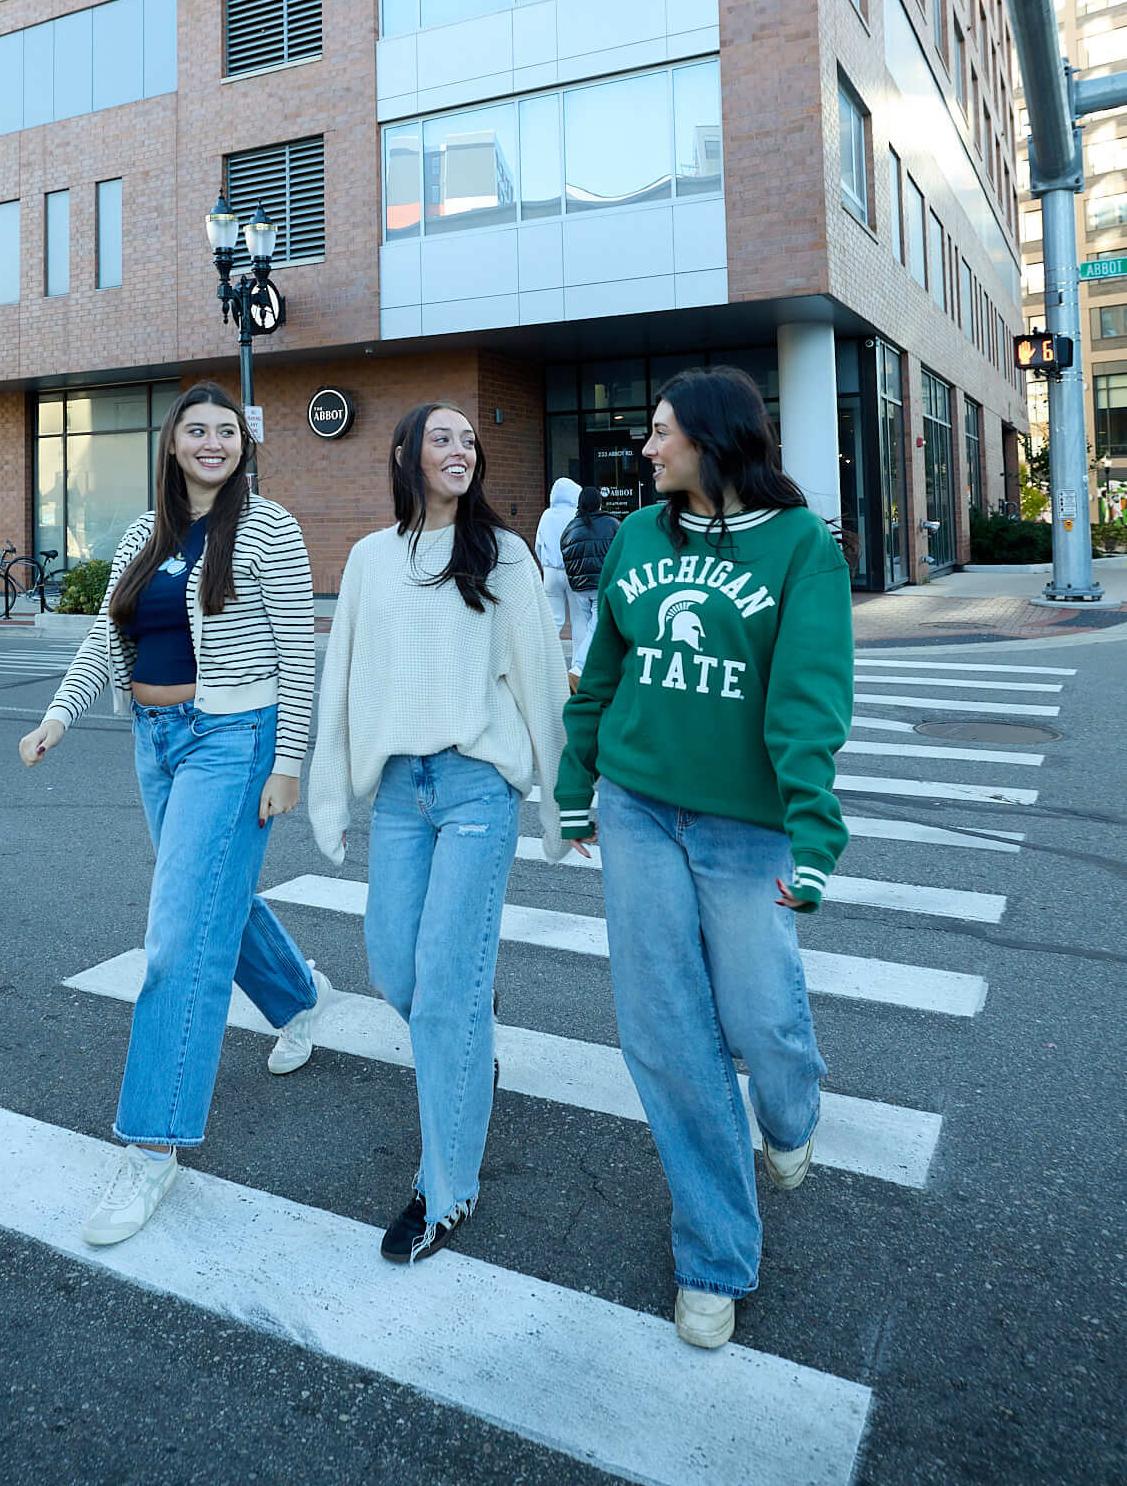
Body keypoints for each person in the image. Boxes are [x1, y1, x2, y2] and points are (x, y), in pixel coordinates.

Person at [555, 366, 853, 1351]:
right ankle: (715, 1254)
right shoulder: (640, 536)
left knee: (762, 1016)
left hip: (745, 824)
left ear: (714, 439)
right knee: (666, 1033)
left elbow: (809, 692)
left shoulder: (800, 546)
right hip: (637, 805)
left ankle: (790, 1108)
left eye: (661, 431)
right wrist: (574, 778)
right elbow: (604, 670)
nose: (646, 447)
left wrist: (813, 829)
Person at [18, 381, 335, 1249]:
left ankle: (152, 1145)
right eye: (196, 430)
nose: (212, 442)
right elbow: (106, 637)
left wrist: (289, 763)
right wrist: (58, 716)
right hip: (155, 740)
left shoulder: (267, 527)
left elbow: (296, 650)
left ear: (243, 445)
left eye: (226, 431)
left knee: (179, 934)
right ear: (172, 443)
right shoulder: (143, 533)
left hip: (233, 738)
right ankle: (301, 996)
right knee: (208, 895)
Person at [307, 402, 570, 1264]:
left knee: (446, 990)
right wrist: (329, 798)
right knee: (396, 971)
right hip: (398, 793)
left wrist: (564, 801)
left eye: (468, 439)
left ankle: (445, 1189)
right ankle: (468, 1034)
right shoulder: (370, 559)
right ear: (404, 456)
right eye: (441, 438)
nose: (460, 449)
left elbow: (539, 679)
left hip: (474, 790)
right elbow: (343, 681)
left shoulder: (503, 554)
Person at [559, 484, 620, 682]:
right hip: (601, 584)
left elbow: (565, 554)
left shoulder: (570, 527)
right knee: (596, 627)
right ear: (599, 503)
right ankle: (578, 667)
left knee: (591, 627)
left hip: (579, 587)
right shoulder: (612, 523)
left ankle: (593, 667)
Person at [534, 477, 579, 643]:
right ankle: (579, 658)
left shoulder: (547, 515)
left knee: (554, 618)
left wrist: (544, 566)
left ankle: (548, 654)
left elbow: (538, 545)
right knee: (578, 618)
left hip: (551, 571)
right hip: (573, 569)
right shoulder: (577, 515)